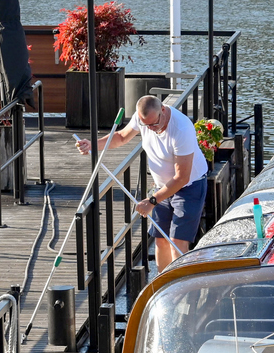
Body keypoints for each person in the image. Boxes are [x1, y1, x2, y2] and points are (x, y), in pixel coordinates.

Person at [75, 95, 208, 271]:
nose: (151, 129)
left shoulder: (182, 129)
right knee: (161, 240)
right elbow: (122, 137)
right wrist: (92, 145)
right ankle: (162, 284)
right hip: (162, 187)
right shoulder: (143, 118)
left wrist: (152, 201)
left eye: (154, 124)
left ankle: (180, 288)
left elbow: (182, 177)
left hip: (189, 187)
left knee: (177, 242)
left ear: (162, 110)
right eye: (146, 125)